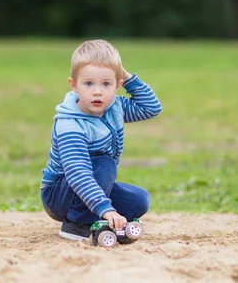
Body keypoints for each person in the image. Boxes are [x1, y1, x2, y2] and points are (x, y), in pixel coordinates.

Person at [40, 39, 162, 242]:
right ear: (74, 85)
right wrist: (105, 208)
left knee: (139, 200)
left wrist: (125, 76)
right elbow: (78, 172)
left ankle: (101, 219)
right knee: (104, 163)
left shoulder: (114, 107)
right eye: (88, 83)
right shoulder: (70, 124)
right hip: (60, 193)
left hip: (91, 183)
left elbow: (151, 107)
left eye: (106, 83)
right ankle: (77, 224)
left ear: (117, 86)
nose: (97, 91)